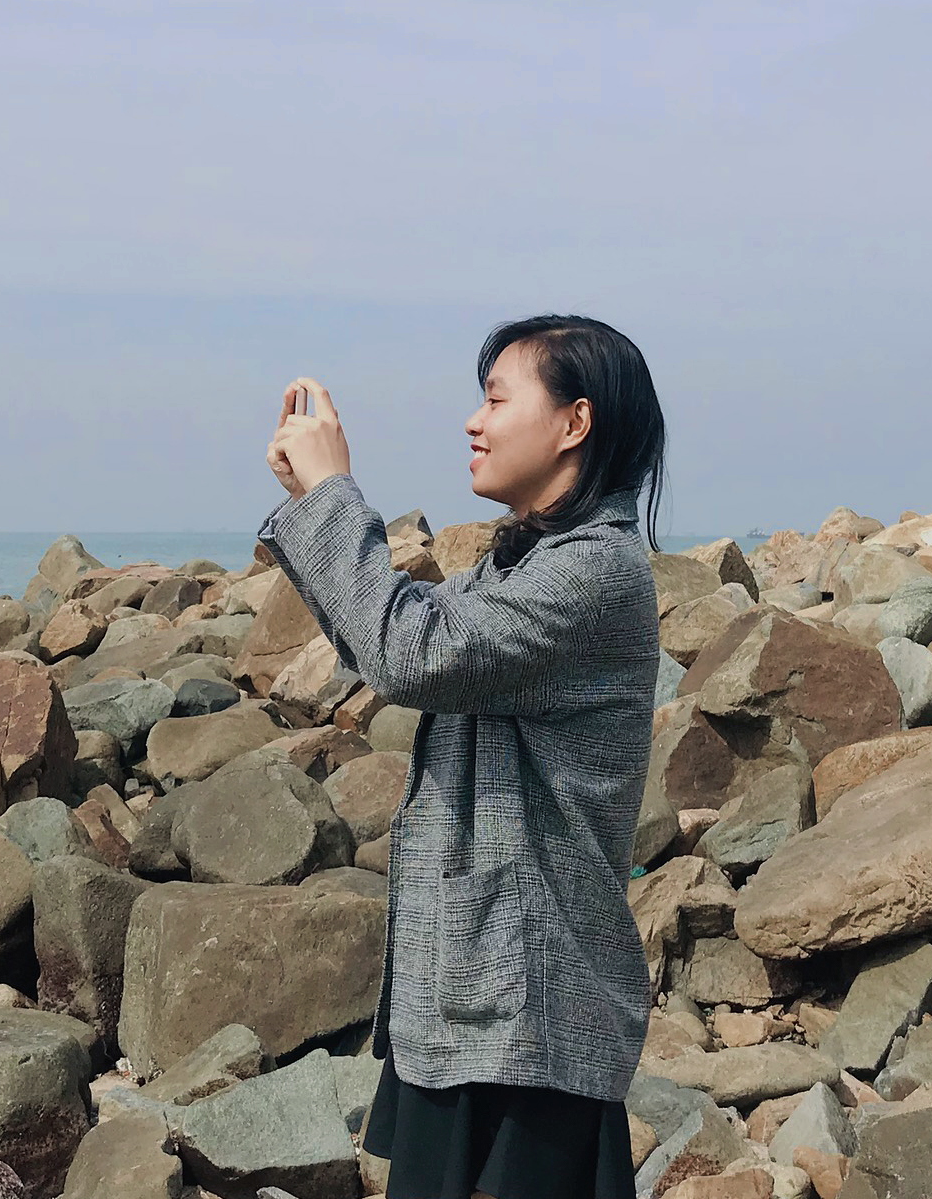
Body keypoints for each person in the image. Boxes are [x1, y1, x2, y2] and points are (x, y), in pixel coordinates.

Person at [260, 314, 667, 1199]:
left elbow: (412, 653)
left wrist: (334, 494)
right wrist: (314, 502)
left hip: (530, 1005)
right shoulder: (525, 561)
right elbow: (388, 643)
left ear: (575, 422)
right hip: (475, 989)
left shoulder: (595, 570)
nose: (474, 423)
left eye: (495, 399)